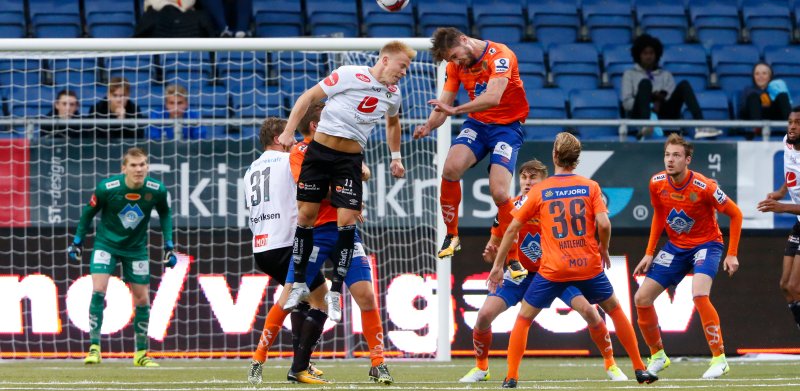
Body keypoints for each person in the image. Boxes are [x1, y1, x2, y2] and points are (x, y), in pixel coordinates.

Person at [489, 132, 658, 388]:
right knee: (614, 309)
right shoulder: (590, 186)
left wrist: (497, 266)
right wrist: (603, 248)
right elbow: (603, 222)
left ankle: (511, 377)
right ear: (577, 160)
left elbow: (511, 229)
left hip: (553, 269)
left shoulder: (541, 190)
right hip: (588, 266)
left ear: (555, 156)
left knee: (524, 318)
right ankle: (639, 368)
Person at [277, 41, 413, 329]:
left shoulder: (393, 94)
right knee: (306, 217)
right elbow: (307, 97)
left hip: (349, 161)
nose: (404, 73)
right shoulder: (349, 73)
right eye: (402, 66)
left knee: (347, 222)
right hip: (320, 153)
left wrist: (396, 157)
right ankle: (300, 282)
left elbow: (393, 123)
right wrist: (288, 131)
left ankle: (336, 290)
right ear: (386, 60)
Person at [459, 159, 629, 383]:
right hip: (518, 275)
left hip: (554, 273)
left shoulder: (553, 205)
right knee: (483, 316)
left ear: (544, 181)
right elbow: (494, 248)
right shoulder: (508, 210)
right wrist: (493, 257)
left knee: (590, 312)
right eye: (524, 177)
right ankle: (481, 367)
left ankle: (611, 364)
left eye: (533, 178)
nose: (528, 182)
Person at [282, 100, 394, 385]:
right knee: (291, 297)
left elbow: (362, 171)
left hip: (346, 233)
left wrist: (357, 178)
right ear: (315, 126)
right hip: (316, 233)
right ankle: (270, 360)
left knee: (366, 296)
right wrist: (351, 193)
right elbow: (312, 192)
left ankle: (378, 362)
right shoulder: (301, 151)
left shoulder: (345, 149)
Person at [413, 27, 529, 261]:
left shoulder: (500, 55)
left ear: (464, 40)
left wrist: (456, 110)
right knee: (450, 168)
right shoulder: (454, 67)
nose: (456, 62)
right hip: (477, 125)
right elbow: (443, 104)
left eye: (455, 55)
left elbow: (493, 97)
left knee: (499, 192)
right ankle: (452, 236)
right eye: (451, 59)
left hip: (507, 128)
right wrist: (428, 126)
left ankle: (513, 256)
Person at [633, 134, 742, 379]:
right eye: (667, 155)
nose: (670, 160)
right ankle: (658, 356)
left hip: (707, 244)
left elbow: (736, 214)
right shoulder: (657, 182)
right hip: (676, 247)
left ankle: (719, 359)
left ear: (688, 160)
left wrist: (732, 254)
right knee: (641, 298)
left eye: (676, 155)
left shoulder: (705, 187)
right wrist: (650, 252)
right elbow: (659, 215)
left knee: (699, 294)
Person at [66, 147, 177, 367]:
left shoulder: (156, 190)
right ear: (124, 168)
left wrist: (169, 244)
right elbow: (88, 213)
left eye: (143, 164)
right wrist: (77, 241)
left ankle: (141, 353)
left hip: (135, 249)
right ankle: (94, 348)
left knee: (142, 299)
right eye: (134, 165)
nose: (139, 169)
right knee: (98, 290)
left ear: (147, 166)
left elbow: (165, 213)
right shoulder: (108, 188)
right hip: (106, 244)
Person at [244, 117, 330, 385]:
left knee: (301, 298)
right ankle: (263, 360)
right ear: (277, 139)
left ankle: (301, 364)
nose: (294, 138)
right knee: (320, 299)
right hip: (286, 241)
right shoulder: (288, 159)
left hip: (262, 246)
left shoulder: (251, 170)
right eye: (289, 134)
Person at [621, 34, 721, 139]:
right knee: (645, 83)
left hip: (663, 112)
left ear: (657, 54)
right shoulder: (629, 74)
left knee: (684, 85)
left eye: (651, 53)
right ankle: (646, 127)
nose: (648, 56)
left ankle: (701, 126)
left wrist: (659, 100)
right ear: (638, 55)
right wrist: (648, 102)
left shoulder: (666, 75)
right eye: (645, 53)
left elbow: (670, 99)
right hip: (640, 115)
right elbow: (626, 103)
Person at [757, 107, 800, 331]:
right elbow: (791, 171)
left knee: (795, 284)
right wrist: (782, 191)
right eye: (790, 122)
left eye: (798, 123)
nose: (792, 127)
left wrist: (781, 206)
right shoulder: (787, 142)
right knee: (785, 286)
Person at [740, 62, 792, 138]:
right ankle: (757, 129)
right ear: (753, 76)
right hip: (754, 121)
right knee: (753, 97)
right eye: (757, 74)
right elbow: (743, 110)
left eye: (764, 73)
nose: (760, 76)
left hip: (773, 119)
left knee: (782, 95)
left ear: (769, 76)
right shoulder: (748, 91)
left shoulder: (775, 89)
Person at [135, 0, 216, 38]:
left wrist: (173, 5)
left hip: (186, 16)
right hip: (159, 15)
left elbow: (188, 3)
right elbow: (155, 3)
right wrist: (173, 5)